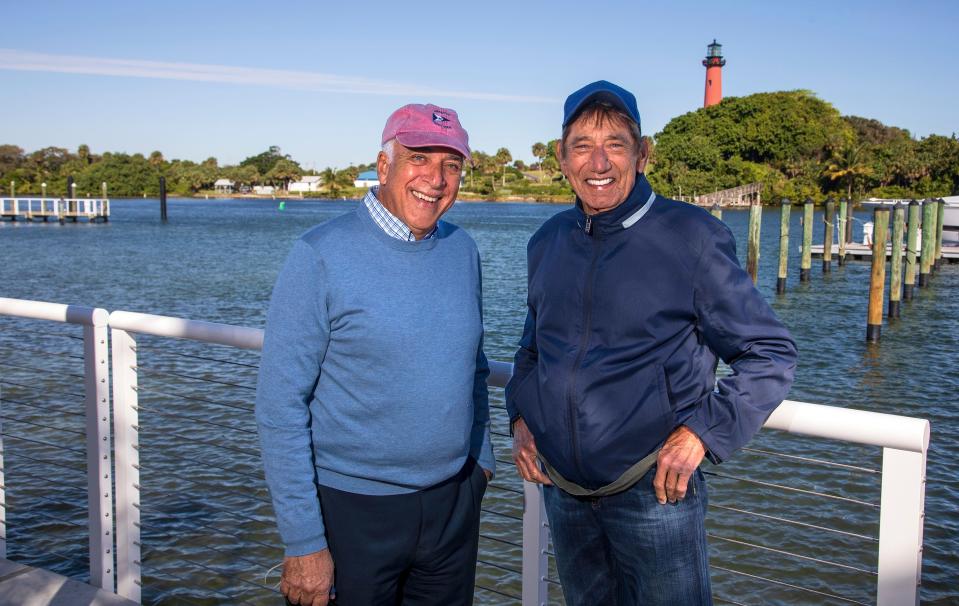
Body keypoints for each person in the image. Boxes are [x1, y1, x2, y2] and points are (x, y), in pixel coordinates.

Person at [505, 81, 797, 605]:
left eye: (616, 144)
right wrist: (522, 419)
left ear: (643, 155)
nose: (599, 162)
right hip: (566, 495)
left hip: (655, 492)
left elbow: (769, 353)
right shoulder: (546, 240)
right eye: (582, 146)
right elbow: (532, 349)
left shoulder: (692, 236)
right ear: (561, 157)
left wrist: (703, 432)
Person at [256, 103, 494, 606]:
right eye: (419, 158)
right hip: (352, 510)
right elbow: (280, 407)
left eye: (451, 165)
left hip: (452, 503)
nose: (435, 178)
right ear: (384, 165)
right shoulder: (319, 255)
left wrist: (481, 462)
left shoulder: (463, 251)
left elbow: (473, 364)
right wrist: (304, 542)